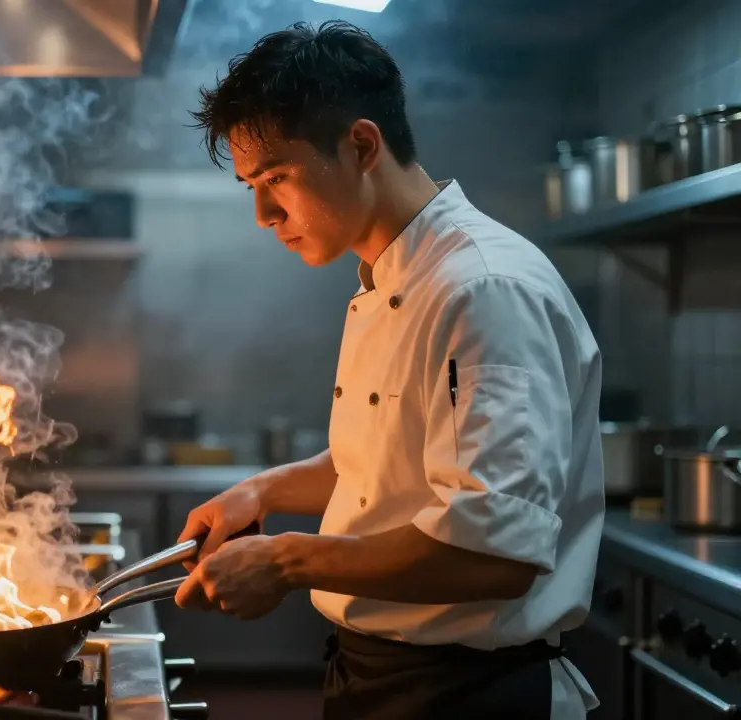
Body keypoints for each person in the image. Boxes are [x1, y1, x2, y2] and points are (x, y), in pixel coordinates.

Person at [173, 20, 604, 720]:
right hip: (380, 680)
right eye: (252, 185)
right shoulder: (388, 277)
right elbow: (386, 467)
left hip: (471, 695)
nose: (262, 213)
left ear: (362, 146)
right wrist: (265, 489)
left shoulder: (482, 288)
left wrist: (286, 561)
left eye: (276, 178)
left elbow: (495, 553)